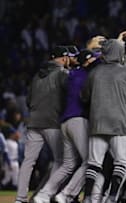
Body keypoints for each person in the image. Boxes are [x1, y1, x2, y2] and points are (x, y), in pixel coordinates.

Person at [81, 38, 126, 203]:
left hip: (97, 123)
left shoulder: (94, 72)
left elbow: (84, 97)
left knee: (94, 163)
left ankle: (87, 198)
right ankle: (111, 197)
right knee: (122, 162)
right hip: (119, 123)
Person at [34, 49, 100, 203]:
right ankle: (66, 194)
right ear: (87, 62)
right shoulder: (86, 75)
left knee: (68, 163)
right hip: (78, 120)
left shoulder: (72, 74)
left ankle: (43, 195)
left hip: (65, 122)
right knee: (90, 161)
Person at [15, 46, 69, 203]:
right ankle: (46, 194)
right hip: (52, 122)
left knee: (28, 161)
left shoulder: (37, 76)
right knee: (62, 161)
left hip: (33, 121)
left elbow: (28, 100)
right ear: (64, 58)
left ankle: (20, 198)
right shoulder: (62, 73)